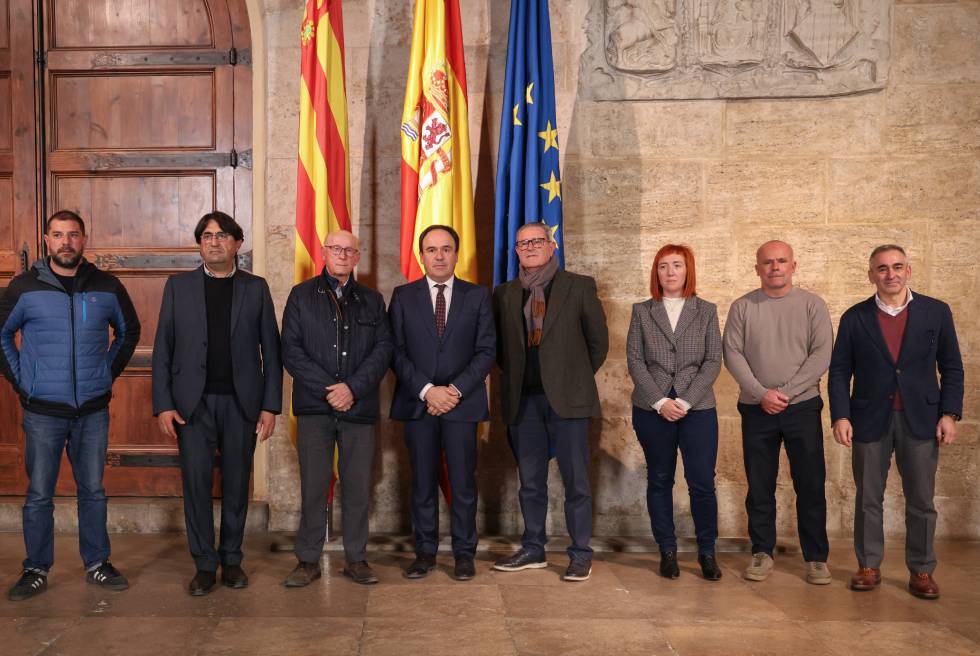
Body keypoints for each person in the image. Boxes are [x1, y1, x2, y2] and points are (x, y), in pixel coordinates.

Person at [1, 210, 140, 601]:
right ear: (47, 240)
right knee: (39, 495)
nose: (66, 242)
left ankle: (97, 563)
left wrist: (104, 374)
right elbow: (1, 334)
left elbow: (129, 332)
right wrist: (23, 381)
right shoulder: (24, 287)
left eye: (73, 234)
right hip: (42, 412)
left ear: (84, 239)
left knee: (93, 491)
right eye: (58, 235)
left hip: (92, 411)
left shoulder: (107, 286)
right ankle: (35, 568)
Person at [152, 211, 282, 596]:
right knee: (196, 485)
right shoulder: (178, 287)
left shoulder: (255, 288)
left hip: (242, 404)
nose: (214, 242)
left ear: (237, 244)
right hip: (191, 406)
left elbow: (272, 352)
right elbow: (163, 349)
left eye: (223, 235)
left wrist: (270, 406)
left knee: (237, 484)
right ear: (199, 244)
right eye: (207, 236)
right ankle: (205, 565)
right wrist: (163, 404)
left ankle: (232, 560)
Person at [829, 245, 963, 600]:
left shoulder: (936, 312)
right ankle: (868, 565)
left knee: (921, 500)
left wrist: (949, 413)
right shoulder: (855, 317)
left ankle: (922, 569)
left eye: (898, 266)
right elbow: (839, 371)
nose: (891, 274)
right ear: (871, 275)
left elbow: (951, 367)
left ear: (909, 271)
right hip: (868, 419)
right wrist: (841, 415)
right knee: (867, 499)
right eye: (883, 268)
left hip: (922, 418)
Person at [491, 222, 608, 582]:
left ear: (552, 245)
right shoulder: (505, 293)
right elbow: (500, 350)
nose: (529, 248)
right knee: (530, 482)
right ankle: (533, 548)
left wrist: (569, 378)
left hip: (569, 401)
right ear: (516, 251)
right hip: (523, 401)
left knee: (576, 482)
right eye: (522, 243)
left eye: (536, 241)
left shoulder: (578, 286)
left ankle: (580, 553)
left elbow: (598, 343)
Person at [281, 230, 392, 587]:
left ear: (357, 257)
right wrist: (330, 390)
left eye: (349, 250)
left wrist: (352, 388)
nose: (342, 255)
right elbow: (291, 351)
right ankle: (307, 560)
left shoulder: (373, 300)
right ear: (324, 252)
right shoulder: (300, 296)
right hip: (315, 408)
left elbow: (383, 351)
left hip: (359, 408)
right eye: (336, 249)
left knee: (358, 487)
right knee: (314, 486)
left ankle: (356, 559)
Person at [723, 240, 833, 585]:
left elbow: (821, 355)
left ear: (793, 266)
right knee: (759, 485)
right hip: (756, 409)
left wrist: (784, 393)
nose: (775, 267)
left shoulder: (813, 305)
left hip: (802, 407)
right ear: (757, 268)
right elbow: (733, 354)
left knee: (810, 484)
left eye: (781, 261)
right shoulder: (742, 307)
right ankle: (762, 552)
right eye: (768, 262)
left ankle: (816, 558)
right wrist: (762, 394)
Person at [389, 225, 495, 581]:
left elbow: (486, 351)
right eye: (431, 249)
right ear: (421, 256)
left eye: (446, 249)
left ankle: (464, 554)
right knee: (422, 482)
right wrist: (427, 391)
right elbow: (395, 351)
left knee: (463, 482)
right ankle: (425, 552)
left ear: (456, 254)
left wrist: (453, 391)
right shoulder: (403, 296)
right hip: (418, 404)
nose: (439, 256)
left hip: (461, 404)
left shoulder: (477, 296)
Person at [626, 244, 723, 581]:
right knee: (659, 479)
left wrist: (685, 401)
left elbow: (713, 361)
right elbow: (635, 361)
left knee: (702, 482)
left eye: (677, 265)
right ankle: (667, 550)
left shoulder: (706, 310)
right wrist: (659, 401)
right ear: (656, 272)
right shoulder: (642, 311)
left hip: (697, 408)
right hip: (652, 409)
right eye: (663, 266)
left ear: (688, 270)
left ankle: (707, 552)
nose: (670, 272)